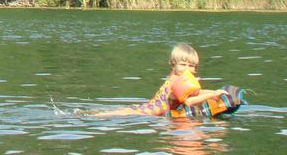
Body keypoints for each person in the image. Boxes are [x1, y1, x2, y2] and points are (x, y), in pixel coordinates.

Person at [95, 43, 231, 117]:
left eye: (192, 66)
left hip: (145, 108)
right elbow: (189, 101)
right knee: (106, 116)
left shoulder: (180, 78)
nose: (187, 69)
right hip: (146, 113)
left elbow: (195, 93)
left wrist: (215, 91)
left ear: (196, 68)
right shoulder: (177, 81)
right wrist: (213, 95)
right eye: (183, 65)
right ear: (173, 65)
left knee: (110, 113)